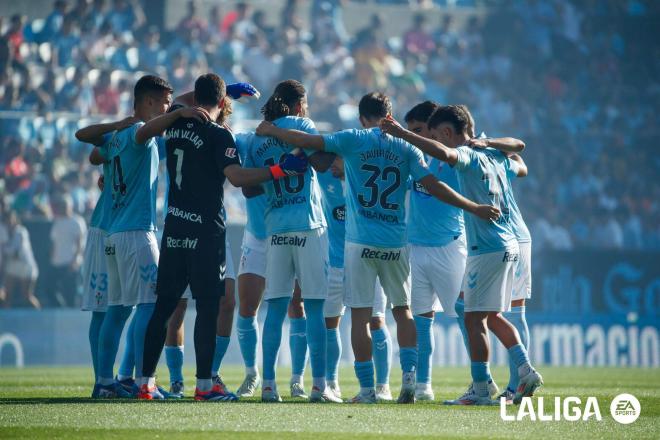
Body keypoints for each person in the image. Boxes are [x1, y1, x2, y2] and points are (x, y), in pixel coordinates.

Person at [256, 92, 499, 404]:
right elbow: (434, 186)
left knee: (360, 317)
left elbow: (311, 142)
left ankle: (368, 389)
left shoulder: (353, 139)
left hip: (359, 244)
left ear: (362, 118)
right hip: (396, 244)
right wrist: (473, 207)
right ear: (390, 114)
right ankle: (409, 380)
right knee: (403, 311)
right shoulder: (407, 145)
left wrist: (274, 131)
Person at [136, 73, 308, 401]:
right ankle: (204, 385)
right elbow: (238, 177)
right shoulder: (219, 135)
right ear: (223, 100)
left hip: (174, 228)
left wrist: (179, 111)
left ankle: (145, 382)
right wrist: (279, 170)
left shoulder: (172, 126)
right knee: (208, 305)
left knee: (165, 306)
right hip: (205, 232)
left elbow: (152, 124)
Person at [379, 105, 543, 405]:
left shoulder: (466, 156)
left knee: (474, 318)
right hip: (510, 243)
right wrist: (490, 142)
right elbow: (519, 152)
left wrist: (401, 134)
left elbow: (445, 154)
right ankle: (521, 371)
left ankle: (488, 387)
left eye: (436, 136)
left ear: (445, 133)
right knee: (488, 314)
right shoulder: (495, 156)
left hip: (487, 246)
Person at [241, 79, 340, 403]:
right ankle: (318, 387)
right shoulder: (301, 125)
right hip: (309, 227)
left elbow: (250, 188)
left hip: (276, 230)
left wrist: (277, 169)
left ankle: (268, 385)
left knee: (275, 310)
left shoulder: (257, 139)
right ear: (298, 104)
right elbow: (323, 163)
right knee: (313, 310)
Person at [81, 75, 174, 398]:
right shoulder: (135, 131)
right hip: (135, 231)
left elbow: (90, 146)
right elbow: (147, 130)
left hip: (114, 234)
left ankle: (105, 382)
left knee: (118, 309)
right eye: (163, 102)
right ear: (148, 102)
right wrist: (178, 115)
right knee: (150, 304)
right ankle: (140, 380)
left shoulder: (115, 139)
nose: (167, 108)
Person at [403, 100, 466, 401]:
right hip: (416, 248)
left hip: (449, 246)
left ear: (433, 129)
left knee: (468, 317)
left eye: (417, 130)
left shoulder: (453, 157)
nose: (413, 136)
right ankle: (423, 384)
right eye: (409, 131)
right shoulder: (414, 159)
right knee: (421, 320)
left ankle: (483, 379)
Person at [318, 155, 394, 401]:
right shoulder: (324, 177)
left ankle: (383, 386)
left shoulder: (365, 179)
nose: (332, 165)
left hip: (366, 260)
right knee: (330, 323)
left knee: (377, 321)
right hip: (334, 264)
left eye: (337, 159)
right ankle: (331, 383)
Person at [75, 114, 139, 397]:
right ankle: (103, 380)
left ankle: (109, 379)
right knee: (106, 309)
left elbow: (93, 157)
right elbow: (91, 151)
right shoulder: (126, 135)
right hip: (105, 226)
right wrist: (115, 128)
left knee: (119, 307)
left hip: (115, 226)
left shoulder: (132, 137)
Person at [49, 194, 87, 307]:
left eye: (65, 205)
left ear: (70, 206)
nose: (63, 207)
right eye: (61, 205)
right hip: (57, 263)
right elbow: (54, 241)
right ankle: (61, 309)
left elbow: (80, 243)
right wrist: (52, 256)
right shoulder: (58, 222)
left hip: (71, 264)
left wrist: (75, 260)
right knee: (50, 288)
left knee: (71, 293)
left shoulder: (77, 221)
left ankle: (71, 318)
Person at [2, 211, 40, 309]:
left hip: (26, 267)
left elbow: (14, 252)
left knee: (27, 296)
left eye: (10, 220)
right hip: (13, 266)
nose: (8, 222)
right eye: (5, 220)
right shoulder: (3, 232)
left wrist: (3, 247)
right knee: (7, 295)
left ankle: (40, 317)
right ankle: (5, 320)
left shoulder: (21, 232)